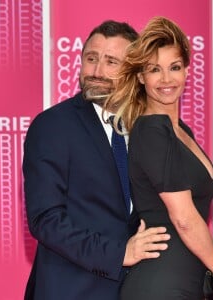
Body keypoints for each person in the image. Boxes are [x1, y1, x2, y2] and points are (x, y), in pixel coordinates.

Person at [22, 20, 170, 300]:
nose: (97, 71)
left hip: (137, 290)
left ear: (135, 72)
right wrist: (119, 253)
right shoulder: (53, 125)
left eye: (111, 62)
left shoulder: (146, 128)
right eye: (91, 59)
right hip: (71, 290)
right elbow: (46, 219)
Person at [104, 16, 213, 300]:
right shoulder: (152, 131)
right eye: (154, 70)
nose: (166, 80)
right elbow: (184, 218)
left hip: (184, 279)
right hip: (161, 284)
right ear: (140, 77)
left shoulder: (178, 130)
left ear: (187, 70)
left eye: (174, 67)